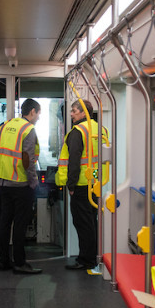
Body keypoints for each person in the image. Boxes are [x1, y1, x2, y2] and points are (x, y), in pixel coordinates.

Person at [0, 99, 43, 274]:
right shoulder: (28, 129)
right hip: (20, 182)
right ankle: (20, 263)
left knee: (5, 221)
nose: (38, 117)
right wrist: (33, 182)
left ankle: (4, 261)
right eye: (38, 113)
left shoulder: (4, 126)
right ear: (32, 112)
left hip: (3, 180)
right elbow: (27, 159)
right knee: (20, 223)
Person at [56, 99, 107, 271]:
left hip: (80, 186)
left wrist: (71, 186)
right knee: (91, 221)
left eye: (74, 111)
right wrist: (92, 178)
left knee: (83, 223)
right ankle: (94, 256)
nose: (71, 114)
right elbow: (95, 161)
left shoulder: (77, 132)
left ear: (84, 113)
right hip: (95, 182)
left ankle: (87, 259)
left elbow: (74, 163)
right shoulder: (100, 129)